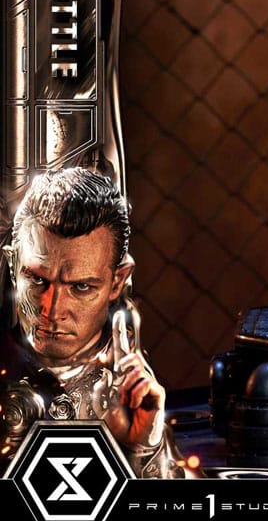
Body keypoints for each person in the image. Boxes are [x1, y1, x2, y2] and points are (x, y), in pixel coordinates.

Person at [0, 167, 185, 478]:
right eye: (38, 280)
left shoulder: (132, 393)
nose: (53, 310)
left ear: (118, 281)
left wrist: (143, 449)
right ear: (12, 263)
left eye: (81, 287)